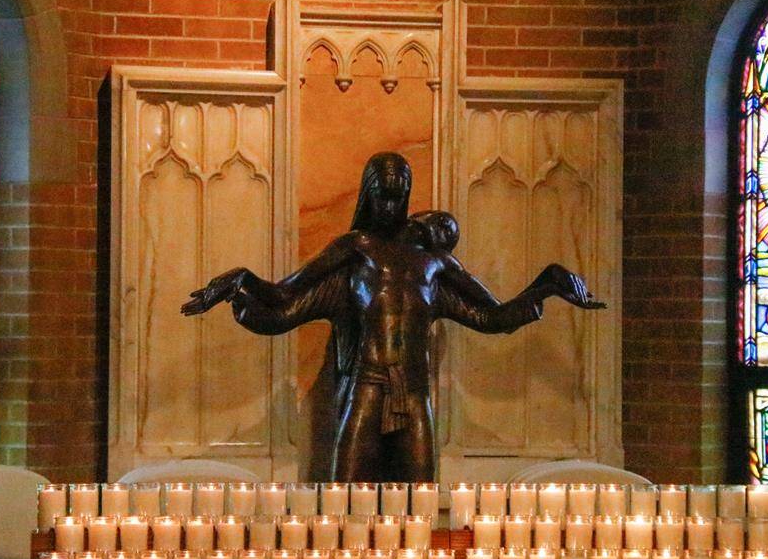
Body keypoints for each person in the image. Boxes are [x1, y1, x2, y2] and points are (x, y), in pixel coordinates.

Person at [182, 152, 603, 481]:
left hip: (415, 394)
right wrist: (239, 280)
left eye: (397, 194)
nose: (389, 204)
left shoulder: (433, 262)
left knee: (418, 503)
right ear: (368, 194)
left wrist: (548, 283)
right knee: (346, 498)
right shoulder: (354, 248)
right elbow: (284, 295)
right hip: (366, 386)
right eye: (381, 194)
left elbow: (492, 315)